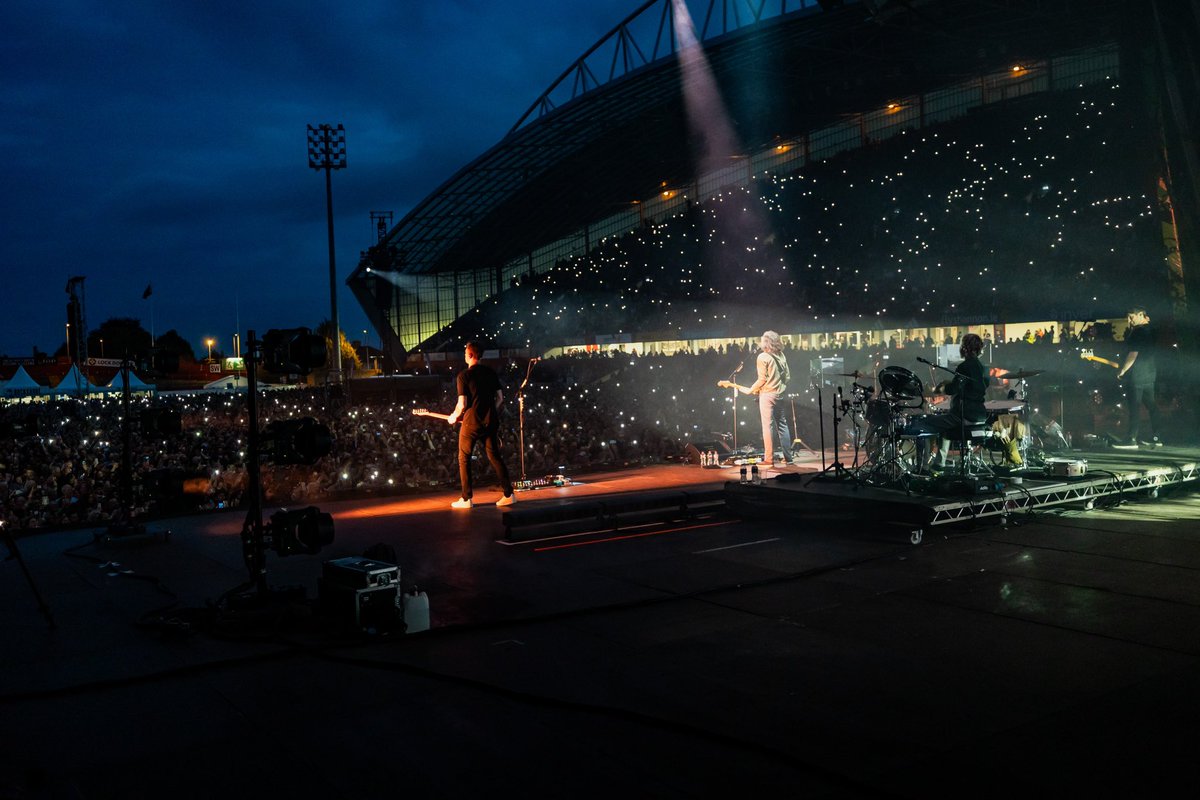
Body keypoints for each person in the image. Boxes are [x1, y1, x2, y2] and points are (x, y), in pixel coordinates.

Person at [906, 332, 990, 472]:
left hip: (963, 415)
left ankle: (922, 467)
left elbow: (952, 390)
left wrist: (942, 388)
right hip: (980, 415)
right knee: (945, 426)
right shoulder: (983, 368)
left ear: (964, 348)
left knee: (923, 424)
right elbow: (974, 387)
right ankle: (939, 463)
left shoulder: (964, 366)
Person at [445, 341, 515, 508]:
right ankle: (509, 494)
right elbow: (500, 399)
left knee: (464, 458)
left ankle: (466, 498)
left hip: (472, 423)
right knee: (494, 456)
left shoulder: (463, 376)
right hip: (490, 421)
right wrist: (490, 410)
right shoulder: (490, 372)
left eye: (465, 353)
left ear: (470, 355)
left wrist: (453, 417)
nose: (464, 355)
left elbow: (462, 404)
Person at [734, 331, 794, 466]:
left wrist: (751, 389)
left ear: (766, 342)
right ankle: (788, 458)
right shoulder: (781, 355)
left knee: (767, 426)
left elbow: (762, 379)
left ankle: (769, 459)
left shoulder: (763, 357)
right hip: (780, 394)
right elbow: (788, 377)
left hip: (767, 394)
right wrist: (780, 387)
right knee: (783, 425)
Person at [1113, 307, 1163, 448]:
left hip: (1136, 375)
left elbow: (1133, 354)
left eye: (1132, 317)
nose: (1129, 321)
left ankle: (1131, 438)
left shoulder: (1138, 332)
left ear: (1141, 315)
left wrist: (1123, 370)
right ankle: (1157, 437)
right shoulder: (1151, 330)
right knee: (1151, 406)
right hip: (1149, 373)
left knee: (1134, 407)